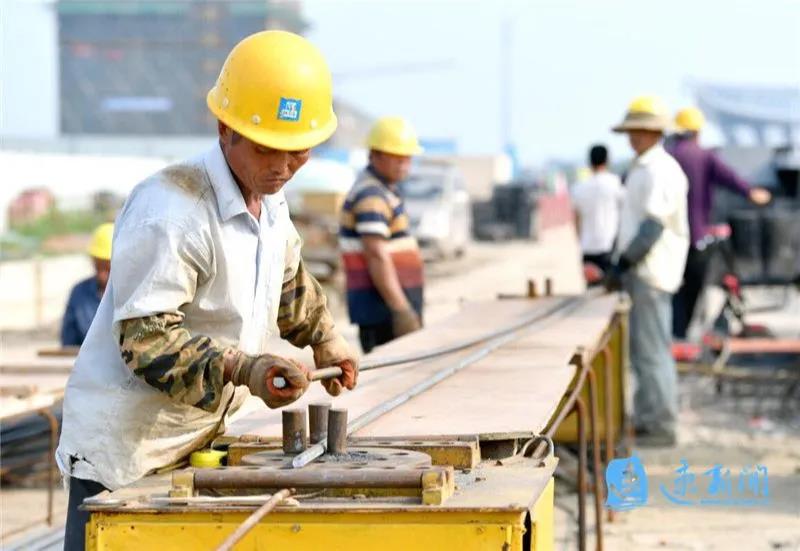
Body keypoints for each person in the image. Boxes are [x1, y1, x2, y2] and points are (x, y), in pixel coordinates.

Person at [57, 31, 359, 550]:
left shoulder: (270, 199)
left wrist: (324, 338)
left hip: (201, 441)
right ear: (225, 129)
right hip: (127, 458)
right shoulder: (172, 211)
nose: (283, 168)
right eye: (267, 150)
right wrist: (244, 368)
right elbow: (147, 341)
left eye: (298, 153)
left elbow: (286, 278)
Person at [606, 96, 690, 447]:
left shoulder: (660, 169)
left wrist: (625, 262)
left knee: (652, 351)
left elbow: (652, 226)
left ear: (656, 133)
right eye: (632, 131)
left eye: (640, 130)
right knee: (644, 351)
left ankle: (660, 426)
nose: (633, 137)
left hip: (651, 272)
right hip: (643, 270)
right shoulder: (642, 167)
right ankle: (648, 418)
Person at [667, 107, 772, 339]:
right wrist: (752, 192)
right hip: (696, 237)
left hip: (669, 238)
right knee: (691, 290)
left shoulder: (668, 155)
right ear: (697, 131)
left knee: (673, 292)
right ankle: (681, 336)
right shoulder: (704, 156)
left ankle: (674, 333)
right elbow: (730, 179)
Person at [340, 117, 425, 353]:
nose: (404, 164)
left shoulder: (382, 190)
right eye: (397, 157)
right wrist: (401, 310)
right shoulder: (372, 196)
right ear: (375, 155)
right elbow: (376, 254)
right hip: (384, 313)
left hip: (386, 309)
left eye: (407, 158)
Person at [571, 144, 624, 280]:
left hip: (587, 247)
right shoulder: (615, 183)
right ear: (607, 160)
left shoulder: (579, 187)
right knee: (610, 288)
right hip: (610, 247)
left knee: (591, 290)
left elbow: (576, 219)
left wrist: (580, 240)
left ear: (590, 161)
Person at [60, 223, 113, 346]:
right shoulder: (79, 293)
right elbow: (68, 344)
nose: (102, 275)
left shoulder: (132, 297)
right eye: (98, 267)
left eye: (107, 268)